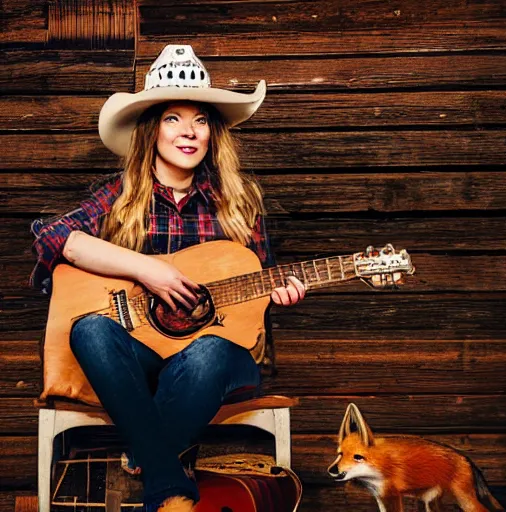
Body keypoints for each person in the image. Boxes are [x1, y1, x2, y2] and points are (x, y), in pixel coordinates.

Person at [30, 45, 305, 512]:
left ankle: (149, 459)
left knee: (210, 351)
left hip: (218, 362)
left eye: (200, 119)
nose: (188, 132)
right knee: (91, 328)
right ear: (151, 130)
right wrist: (147, 269)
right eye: (173, 118)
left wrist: (280, 293)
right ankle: (169, 489)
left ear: (212, 132)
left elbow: (256, 285)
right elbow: (51, 237)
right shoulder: (119, 196)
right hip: (142, 362)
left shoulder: (239, 201)